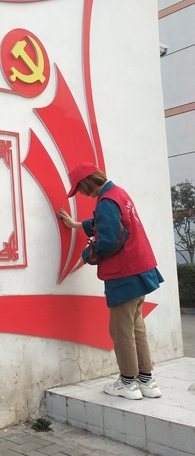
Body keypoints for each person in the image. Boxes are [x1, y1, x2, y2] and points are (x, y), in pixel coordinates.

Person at [57, 162, 163, 400]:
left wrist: (87, 254)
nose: (81, 193)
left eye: (80, 189)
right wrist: (76, 225)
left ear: (87, 182)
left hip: (124, 275)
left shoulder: (105, 202)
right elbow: (108, 224)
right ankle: (146, 380)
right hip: (140, 271)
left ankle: (127, 383)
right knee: (136, 327)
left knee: (121, 330)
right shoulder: (118, 193)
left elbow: (108, 240)